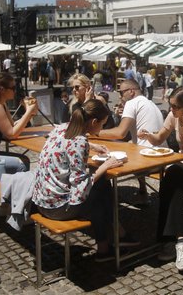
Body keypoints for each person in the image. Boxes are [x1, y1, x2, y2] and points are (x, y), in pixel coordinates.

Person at [32, 99, 138, 261]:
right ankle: (106, 247)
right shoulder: (79, 142)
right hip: (56, 208)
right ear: (94, 121)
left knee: (101, 186)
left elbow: (68, 144)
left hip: (41, 201)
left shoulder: (61, 128)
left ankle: (118, 234)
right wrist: (105, 166)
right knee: (99, 194)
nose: (102, 128)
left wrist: (93, 146)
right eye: (102, 124)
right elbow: (80, 187)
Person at [137, 87, 183, 272]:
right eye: (170, 106)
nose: (171, 110)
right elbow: (159, 138)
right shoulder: (173, 116)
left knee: (172, 182)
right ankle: (179, 240)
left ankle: (172, 241)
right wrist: (148, 135)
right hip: (181, 163)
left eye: (175, 107)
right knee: (171, 181)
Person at [98, 79, 164, 205]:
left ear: (131, 92)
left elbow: (120, 133)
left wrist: (94, 132)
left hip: (147, 160)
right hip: (162, 157)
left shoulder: (132, 103)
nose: (119, 96)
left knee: (104, 157)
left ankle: (106, 202)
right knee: (130, 144)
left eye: (121, 92)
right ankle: (143, 192)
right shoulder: (150, 103)